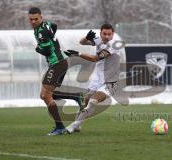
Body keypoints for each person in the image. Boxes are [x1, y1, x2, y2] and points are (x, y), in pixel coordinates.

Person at [28, 7, 83, 135]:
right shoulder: (46, 25)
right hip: (59, 63)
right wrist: (52, 35)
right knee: (45, 95)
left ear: (41, 17)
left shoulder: (41, 32)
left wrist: (37, 49)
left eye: (36, 19)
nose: (33, 22)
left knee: (46, 95)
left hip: (57, 64)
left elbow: (46, 51)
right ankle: (77, 96)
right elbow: (54, 25)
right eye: (31, 19)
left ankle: (59, 127)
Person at [64, 23, 121, 133]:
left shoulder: (113, 45)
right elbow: (82, 42)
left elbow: (95, 58)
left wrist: (78, 54)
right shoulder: (99, 40)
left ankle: (73, 126)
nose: (107, 36)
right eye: (104, 34)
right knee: (84, 102)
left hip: (110, 82)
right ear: (100, 33)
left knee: (93, 101)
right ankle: (77, 126)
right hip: (97, 80)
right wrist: (86, 38)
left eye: (109, 34)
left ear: (113, 34)